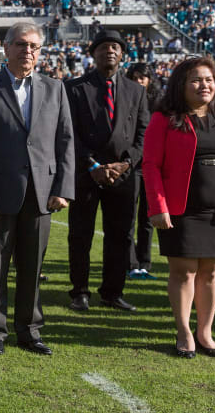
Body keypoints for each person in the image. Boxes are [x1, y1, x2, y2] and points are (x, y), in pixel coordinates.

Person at [0, 21, 74, 358]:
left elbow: (66, 140)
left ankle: (29, 330)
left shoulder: (55, 88)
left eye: (34, 46)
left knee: (33, 268)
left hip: (41, 194)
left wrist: (63, 188)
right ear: (6, 48)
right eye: (21, 45)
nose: (28, 51)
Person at [143, 56, 215, 358]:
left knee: (211, 272)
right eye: (196, 80)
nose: (205, 85)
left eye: (209, 79)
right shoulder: (164, 118)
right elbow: (150, 165)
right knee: (184, 271)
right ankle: (184, 331)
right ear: (181, 85)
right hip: (180, 209)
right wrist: (158, 206)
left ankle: (205, 332)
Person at [65, 30, 149, 313]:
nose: (109, 51)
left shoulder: (136, 91)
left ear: (123, 54)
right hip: (86, 173)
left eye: (115, 47)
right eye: (103, 47)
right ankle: (79, 292)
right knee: (80, 235)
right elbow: (69, 133)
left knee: (121, 236)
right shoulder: (74, 88)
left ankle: (113, 292)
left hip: (123, 175)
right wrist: (93, 165)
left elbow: (143, 134)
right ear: (93, 54)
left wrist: (126, 164)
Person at [126, 63, 161, 281]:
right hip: (132, 165)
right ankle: (131, 263)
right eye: (136, 77)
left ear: (149, 80)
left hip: (152, 165)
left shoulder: (159, 102)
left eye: (143, 77)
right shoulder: (126, 98)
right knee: (128, 216)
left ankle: (144, 263)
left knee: (148, 218)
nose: (140, 81)